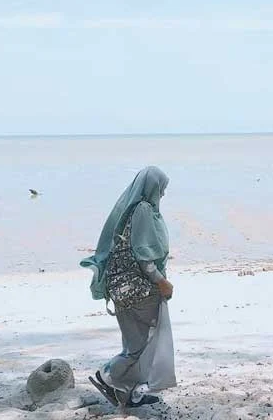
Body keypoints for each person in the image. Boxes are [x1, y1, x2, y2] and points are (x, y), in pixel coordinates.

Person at [80, 166, 176, 408]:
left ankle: (128, 392)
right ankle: (109, 375)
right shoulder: (143, 210)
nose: (162, 194)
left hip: (121, 287)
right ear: (151, 188)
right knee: (146, 340)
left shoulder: (130, 211)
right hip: (139, 288)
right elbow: (144, 255)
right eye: (160, 189)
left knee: (134, 341)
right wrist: (161, 281)